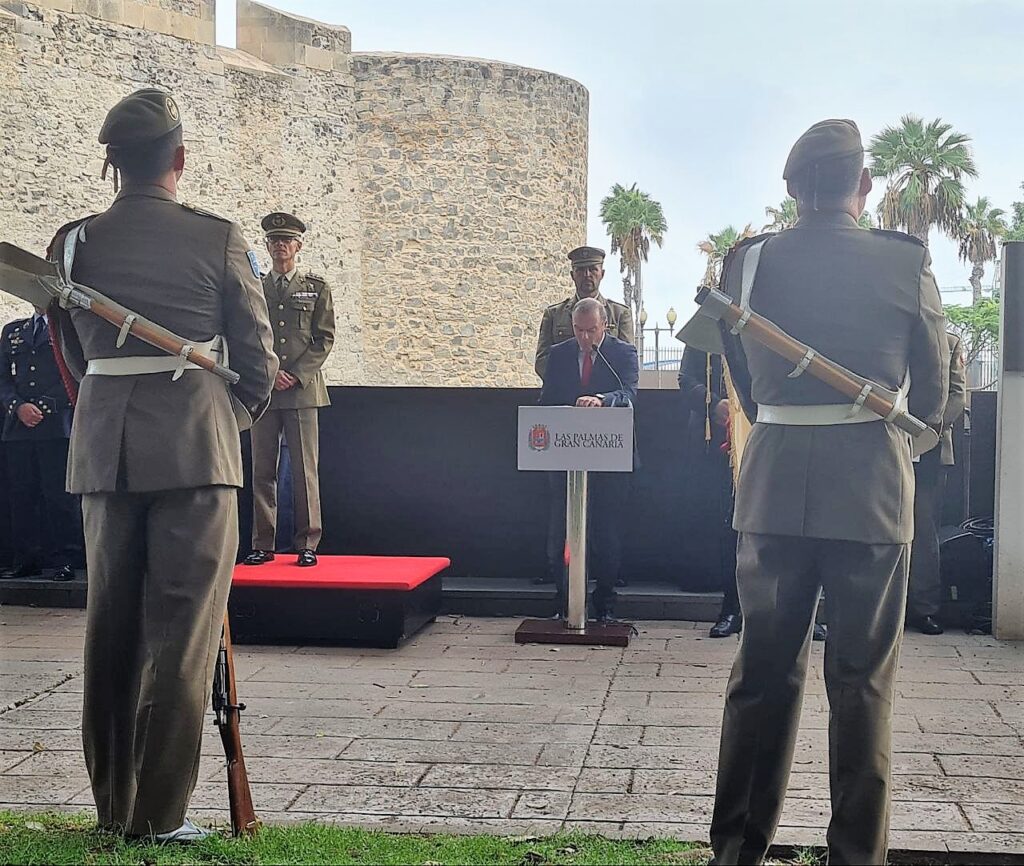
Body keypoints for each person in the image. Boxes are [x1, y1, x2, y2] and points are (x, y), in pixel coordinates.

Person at [709, 119, 949, 865]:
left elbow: (744, 384)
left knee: (761, 679)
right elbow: (934, 393)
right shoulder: (904, 263)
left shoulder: (745, 264)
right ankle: (856, 858)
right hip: (872, 493)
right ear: (864, 185)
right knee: (864, 685)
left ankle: (736, 854)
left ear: (791, 188)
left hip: (774, 485)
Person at [48, 88, 278, 842]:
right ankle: (157, 817)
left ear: (112, 164)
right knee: (181, 638)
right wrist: (216, 423)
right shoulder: (218, 241)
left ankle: (113, 810)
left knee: (109, 634)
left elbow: (75, 360)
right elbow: (257, 365)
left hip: (104, 457)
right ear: (178, 159)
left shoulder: (71, 244)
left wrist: (116, 410)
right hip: (196, 456)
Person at [535, 246, 635, 588]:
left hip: (608, 440)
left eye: (593, 270)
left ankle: (606, 587)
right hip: (566, 437)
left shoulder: (619, 315)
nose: (585, 337)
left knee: (606, 520)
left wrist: (602, 400)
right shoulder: (555, 316)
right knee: (563, 517)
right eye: (581, 270)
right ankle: (561, 587)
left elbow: (627, 383)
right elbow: (544, 366)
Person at [243, 212, 335, 568]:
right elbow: (249, 336)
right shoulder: (256, 288)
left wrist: (294, 374)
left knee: (303, 471)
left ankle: (307, 542)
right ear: (267, 246)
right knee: (262, 470)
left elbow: (323, 337)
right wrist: (270, 373)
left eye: (287, 241)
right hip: (265, 392)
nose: (281, 246)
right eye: (274, 241)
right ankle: (262, 543)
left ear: (298, 246)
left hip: (301, 390)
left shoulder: (316, 287)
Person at [0, 308, 82, 580]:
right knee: (22, 495)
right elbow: (3, 379)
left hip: (57, 426)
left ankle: (64, 560)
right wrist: (19, 406)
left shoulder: (67, 327)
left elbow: (75, 371)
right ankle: (26, 559)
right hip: (18, 427)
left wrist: (44, 407)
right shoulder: (13, 331)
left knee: (59, 496)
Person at [908, 333, 966, 635]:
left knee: (924, 529)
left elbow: (957, 395)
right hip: (880, 444)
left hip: (929, 448)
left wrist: (926, 429)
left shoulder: (950, 342)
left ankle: (924, 608)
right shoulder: (887, 334)